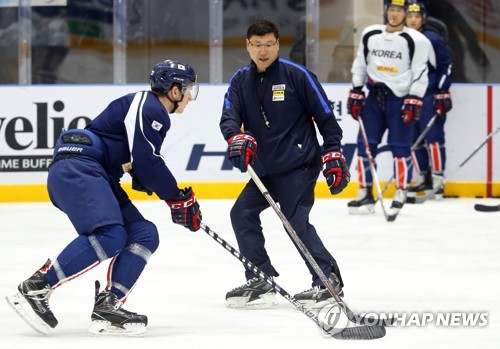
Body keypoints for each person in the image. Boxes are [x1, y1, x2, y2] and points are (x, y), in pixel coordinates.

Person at [5, 60, 202, 336]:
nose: (190, 97)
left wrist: (150, 181)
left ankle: (109, 306)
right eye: (189, 89)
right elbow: (149, 162)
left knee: (144, 233)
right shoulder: (150, 107)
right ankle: (37, 286)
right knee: (111, 235)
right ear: (174, 90)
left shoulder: (147, 109)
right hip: (79, 169)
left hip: (94, 173)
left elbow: (138, 162)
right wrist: (178, 199)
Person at [219, 19, 350, 309]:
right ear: (248, 46)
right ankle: (260, 277)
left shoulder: (297, 75)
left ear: (277, 45)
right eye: (257, 45)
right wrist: (235, 137)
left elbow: (327, 119)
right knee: (241, 214)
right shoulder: (241, 80)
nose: (263, 51)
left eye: (269, 44)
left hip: (298, 165)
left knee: (294, 221)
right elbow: (228, 117)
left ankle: (328, 280)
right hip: (264, 169)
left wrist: (333, 152)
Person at [347, 0, 430, 215]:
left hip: (400, 100)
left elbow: (420, 72)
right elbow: (361, 63)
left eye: (399, 10)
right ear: (385, 11)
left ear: (405, 13)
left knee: (400, 147)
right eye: (391, 9)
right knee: (366, 146)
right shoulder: (370, 34)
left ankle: (401, 190)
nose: (394, 14)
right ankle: (365, 191)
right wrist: (356, 90)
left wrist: (414, 98)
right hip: (374, 98)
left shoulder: (417, 40)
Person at [405, 1, 453, 200]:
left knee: (433, 138)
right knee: (412, 139)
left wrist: (442, 90)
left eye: (417, 16)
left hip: (429, 94)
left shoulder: (431, 39)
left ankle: (438, 179)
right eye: (410, 16)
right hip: (407, 95)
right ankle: (424, 177)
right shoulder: (400, 39)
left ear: (423, 18)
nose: (413, 19)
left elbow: (446, 65)